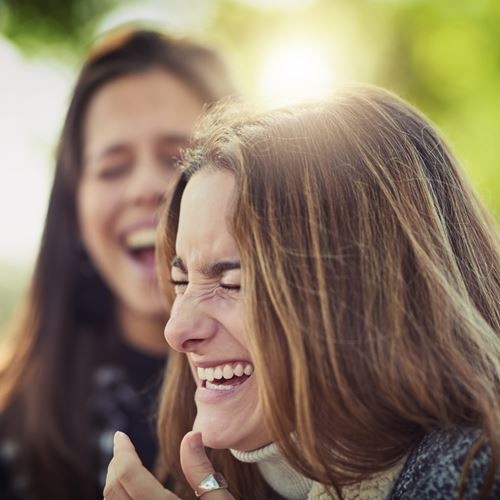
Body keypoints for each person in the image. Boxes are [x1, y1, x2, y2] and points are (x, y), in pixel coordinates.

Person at [104, 85, 500, 500]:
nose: (176, 329)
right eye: (181, 283)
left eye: (234, 283)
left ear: (367, 293)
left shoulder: (471, 477)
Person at [0, 27, 235, 500]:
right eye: (112, 167)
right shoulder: (13, 428)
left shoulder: (328, 409)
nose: (146, 187)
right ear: (74, 211)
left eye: (179, 158)